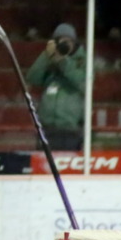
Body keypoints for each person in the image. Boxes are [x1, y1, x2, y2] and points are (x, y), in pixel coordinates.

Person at [25, 23, 86, 151]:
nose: (65, 45)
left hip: (70, 129)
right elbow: (32, 78)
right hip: (46, 129)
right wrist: (47, 55)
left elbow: (80, 81)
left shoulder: (82, 60)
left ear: (75, 43)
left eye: (68, 41)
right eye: (61, 41)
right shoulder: (50, 61)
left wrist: (62, 60)